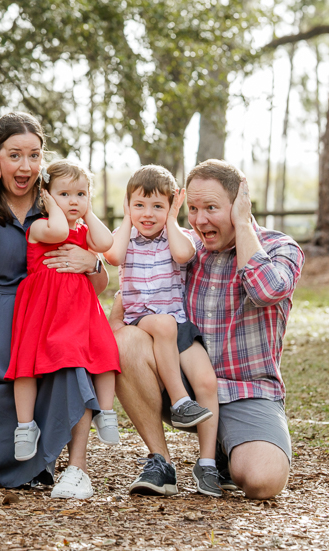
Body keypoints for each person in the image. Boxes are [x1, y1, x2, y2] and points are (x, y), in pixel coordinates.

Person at [111, 159, 304, 500]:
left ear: (239, 204)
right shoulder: (185, 248)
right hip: (184, 386)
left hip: (248, 391)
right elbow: (136, 289)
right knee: (127, 340)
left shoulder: (279, 248)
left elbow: (266, 291)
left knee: (263, 480)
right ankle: (160, 462)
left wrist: (242, 225)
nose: (200, 220)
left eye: (211, 208)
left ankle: (224, 452)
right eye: (194, 209)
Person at [0, 112, 108, 496]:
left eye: (34, 155)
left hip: (46, 316)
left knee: (72, 365)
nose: (25, 167)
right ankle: (25, 463)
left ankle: (77, 468)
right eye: (13, 155)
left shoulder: (56, 203)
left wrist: (92, 263)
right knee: (9, 452)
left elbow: (99, 286)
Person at [103, 165, 221, 496]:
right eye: (139, 205)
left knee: (207, 382)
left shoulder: (178, 236)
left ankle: (207, 463)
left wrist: (171, 220)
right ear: (128, 205)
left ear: (171, 207)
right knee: (163, 323)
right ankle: (180, 401)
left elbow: (184, 254)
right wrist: (126, 219)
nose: (148, 214)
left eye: (158, 206)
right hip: (141, 319)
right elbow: (113, 256)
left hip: (178, 323)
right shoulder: (125, 235)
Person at [6, 160, 121, 485]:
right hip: (43, 313)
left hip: (79, 312)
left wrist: (88, 211)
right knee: (25, 366)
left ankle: (106, 412)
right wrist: (51, 205)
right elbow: (58, 232)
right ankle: (25, 426)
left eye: (81, 194)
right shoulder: (40, 227)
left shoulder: (84, 231)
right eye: (64, 194)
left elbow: (105, 243)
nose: (74, 201)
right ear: (45, 197)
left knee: (105, 353)